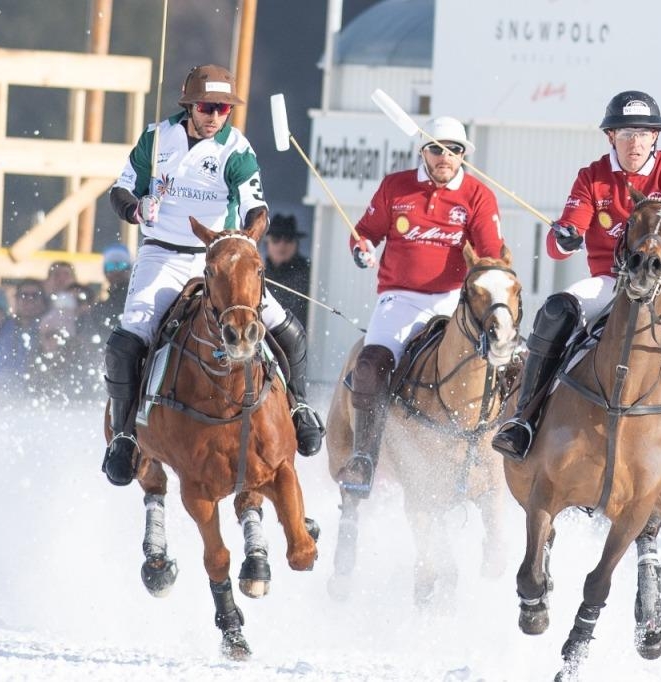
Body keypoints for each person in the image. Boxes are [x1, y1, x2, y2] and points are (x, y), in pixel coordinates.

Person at [491, 91, 661, 531]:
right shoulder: (592, 177)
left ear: (655, 137)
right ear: (611, 136)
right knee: (555, 311)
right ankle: (523, 422)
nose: (636, 143)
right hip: (612, 284)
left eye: (644, 134)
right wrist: (565, 238)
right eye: (627, 134)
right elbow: (562, 238)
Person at [101, 64, 324, 487]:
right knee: (128, 339)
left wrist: (251, 232)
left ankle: (299, 407)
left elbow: (254, 204)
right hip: (162, 255)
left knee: (286, 329)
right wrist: (136, 209)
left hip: (218, 257)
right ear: (190, 105)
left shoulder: (235, 149)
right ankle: (126, 434)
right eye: (207, 107)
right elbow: (120, 189)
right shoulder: (157, 137)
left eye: (223, 108)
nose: (215, 116)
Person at [337, 116, 505, 498]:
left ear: (464, 155)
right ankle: (364, 457)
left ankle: (492, 450)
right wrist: (361, 249)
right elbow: (365, 232)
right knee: (370, 364)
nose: (445, 156)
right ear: (422, 150)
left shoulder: (477, 195)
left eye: (454, 150)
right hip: (400, 298)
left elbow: (491, 254)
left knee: (498, 361)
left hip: (453, 301)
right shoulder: (396, 187)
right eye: (437, 148)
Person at [264, 214, 311, 326]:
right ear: (267, 243)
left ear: (296, 244)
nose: (282, 245)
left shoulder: (309, 274)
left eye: (288, 239)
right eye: (276, 239)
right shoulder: (257, 274)